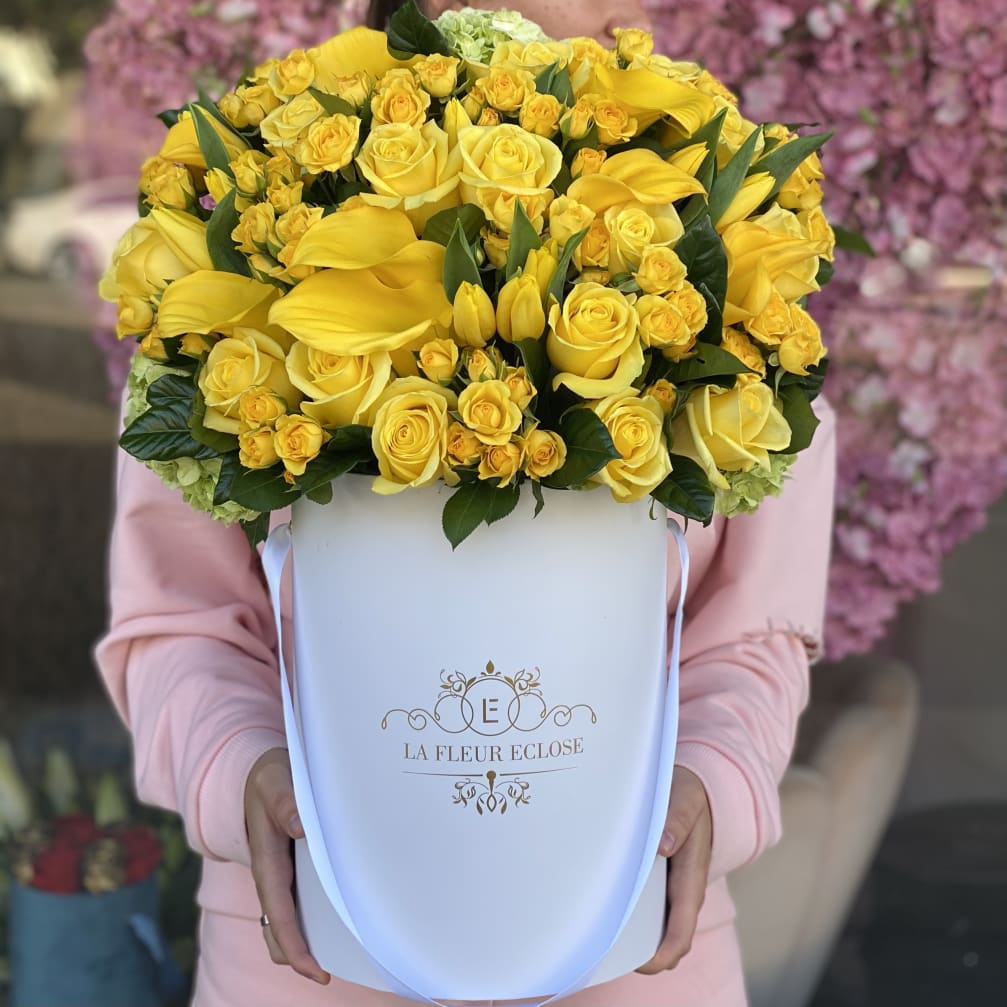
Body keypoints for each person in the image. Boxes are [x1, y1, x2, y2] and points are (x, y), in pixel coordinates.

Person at [96, 1, 838, 1004]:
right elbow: (175, 619)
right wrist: (242, 776)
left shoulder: (718, 263)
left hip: (633, 935)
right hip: (309, 946)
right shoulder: (248, 236)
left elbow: (753, 629)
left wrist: (715, 778)